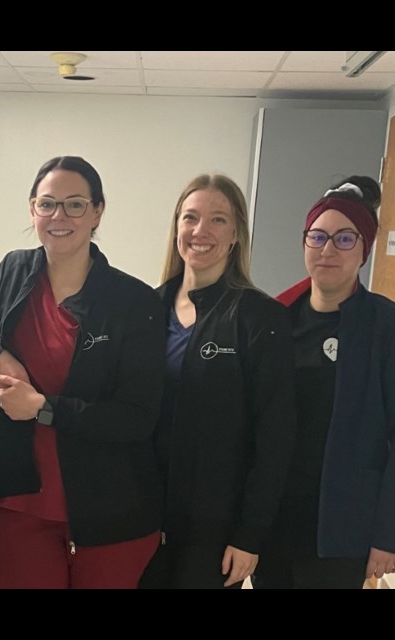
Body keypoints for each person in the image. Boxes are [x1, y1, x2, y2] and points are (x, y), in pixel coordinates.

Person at [0, 156, 166, 589]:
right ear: (32, 210)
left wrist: (43, 408)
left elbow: (136, 417)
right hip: (25, 496)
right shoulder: (13, 272)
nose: (58, 217)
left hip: (110, 504)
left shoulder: (134, 302)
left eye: (74, 205)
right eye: (47, 204)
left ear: (97, 212)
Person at [251, 176, 395, 589]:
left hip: (343, 528)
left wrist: (389, 535)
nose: (328, 250)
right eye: (317, 237)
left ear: (364, 250)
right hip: (276, 520)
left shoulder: (389, 329)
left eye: (344, 239)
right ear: (304, 244)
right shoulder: (276, 321)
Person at [140, 174, 297, 589]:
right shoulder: (146, 311)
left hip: (214, 530)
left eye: (218, 220)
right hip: (142, 518)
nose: (200, 231)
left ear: (236, 235)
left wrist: (250, 535)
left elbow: (275, 438)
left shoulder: (261, 319)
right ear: (176, 228)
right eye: (190, 217)